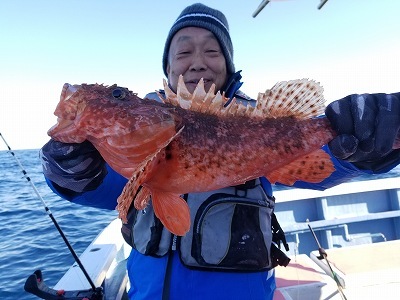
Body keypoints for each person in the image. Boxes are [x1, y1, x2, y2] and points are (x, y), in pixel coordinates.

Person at [40, 3, 400, 299]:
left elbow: (325, 167)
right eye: (183, 51)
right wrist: (74, 174)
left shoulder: (254, 116)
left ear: (228, 63)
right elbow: (111, 192)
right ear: (168, 67)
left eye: (212, 51)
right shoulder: (144, 118)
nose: (198, 61)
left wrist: (366, 150)